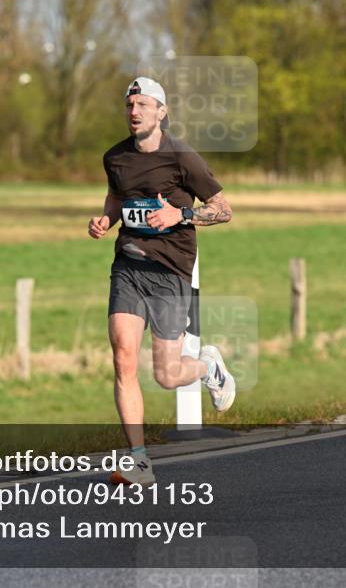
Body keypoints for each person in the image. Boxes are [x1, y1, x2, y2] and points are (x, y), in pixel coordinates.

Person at [88, 77, 236, 486]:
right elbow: (116, 198)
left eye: (143, 105)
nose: (134, 112)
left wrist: (180, 216)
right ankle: (139, 461)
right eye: (130, 104)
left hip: (170, 270)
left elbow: (223, 210)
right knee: (122, 357)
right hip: (129, 266)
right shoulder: (115, 157)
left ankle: (208, 366)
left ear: (161, 112)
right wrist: (105, 219)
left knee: (167, 375)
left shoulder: (182, 157)